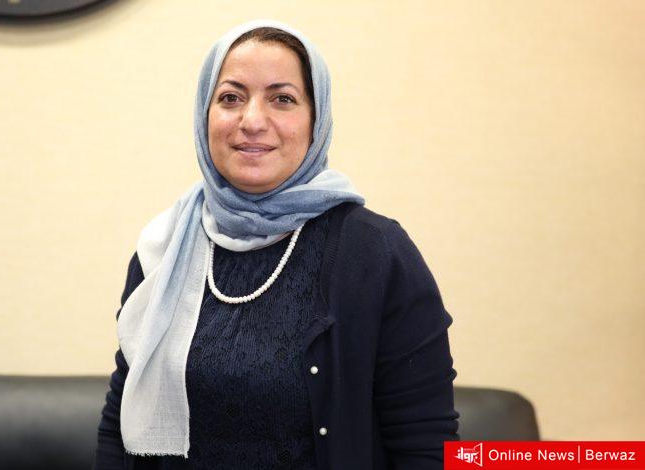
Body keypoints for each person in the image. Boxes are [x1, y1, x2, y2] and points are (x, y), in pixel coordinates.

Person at [94, 19, 459, 470]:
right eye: (231, 98)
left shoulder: (376, 253)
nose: (252, 121)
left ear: (316, 120)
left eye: (282, 99)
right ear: (204, 114)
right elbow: (120, 423)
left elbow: (426, 445)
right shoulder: (165, 246)